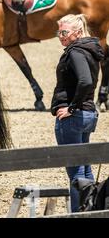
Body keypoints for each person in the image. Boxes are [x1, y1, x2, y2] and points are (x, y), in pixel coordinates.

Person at [51, 14, 104, 212]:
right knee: (85, 170)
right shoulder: (90, 50)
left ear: (78, 32)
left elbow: (86, 82)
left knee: (76, 173)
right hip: (88, 114)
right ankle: (90, 211)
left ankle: (77, 214)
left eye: (64, 32)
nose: (61, 36)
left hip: (74, 117)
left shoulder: (75, 52)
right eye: (59, 32)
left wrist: (71, 107)